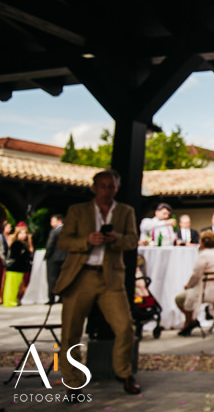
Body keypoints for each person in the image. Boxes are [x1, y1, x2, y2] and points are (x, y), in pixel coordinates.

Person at [53, 169, 141, 395]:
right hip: (81, 275)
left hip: (110, 277)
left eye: (111, 186)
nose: (106, 191)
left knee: (125, 327)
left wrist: (116, 239)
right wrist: (87, 240)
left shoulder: (125, 211)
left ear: (116, 188)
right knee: (71, 332)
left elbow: (132, 240)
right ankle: (73, 382)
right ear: (94, 188)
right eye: (102, 186)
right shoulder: (78, 211)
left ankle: (124, 373)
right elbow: (63, 242)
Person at [174, 230, 214, 336]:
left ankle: (190, 321)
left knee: (179, 299)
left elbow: (196, 275)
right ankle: (189, 322)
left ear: (203, 242)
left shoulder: (204, 255)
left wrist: (188, 285)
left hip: (207, 290)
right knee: (185, 297)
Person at [2, 227, 32, 306]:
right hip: (14, 267)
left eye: (25, 233)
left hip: (19, 268)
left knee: (15, 286)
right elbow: (16, 256)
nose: (23, 235)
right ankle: (9, 301)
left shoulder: (23, 244)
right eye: (21, 233)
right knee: (11, 286)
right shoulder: (16, 243)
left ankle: (12, 299)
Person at [44, 213, 67, 303]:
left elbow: (50, 245)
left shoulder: (54, 231)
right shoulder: (67, 230)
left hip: (54, 257)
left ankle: (51, 297)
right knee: (63, 278)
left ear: (59, 221)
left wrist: (47, 255)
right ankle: (62, 297)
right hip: (65, 257)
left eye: (52, 220)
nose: (51, 222)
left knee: (52, 278)